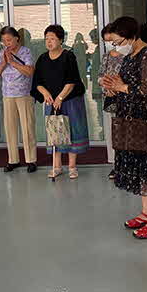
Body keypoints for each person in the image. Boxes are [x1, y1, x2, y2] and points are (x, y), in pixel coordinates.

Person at [102, 17, 147, 240]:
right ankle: (146, 213)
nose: (116, 47)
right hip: (131, 117)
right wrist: (113, 87)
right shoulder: (130, 56)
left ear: (132, 36)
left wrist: (122, 87)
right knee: (140, 168)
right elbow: (126, 84)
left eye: (118, 42)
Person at [31, 24, 88, 180]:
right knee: (55, 131)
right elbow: (37, 82)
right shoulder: (42, 59)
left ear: (61, 40)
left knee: (72, 131)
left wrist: (60, 97)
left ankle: (72, 167)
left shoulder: (68, 56)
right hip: (51, 101)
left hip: (70, 99)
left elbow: (72, 81)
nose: (49, 42)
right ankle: (57, 167)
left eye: (52, 39)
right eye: (46, 39)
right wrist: (46, 94)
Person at [0, 26, 37, 173]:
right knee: (10, 128)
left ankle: (31, 160)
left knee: (27, 127)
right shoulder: (1, 54)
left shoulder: (26, 52)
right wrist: (4, 62)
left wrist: (12, 62)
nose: (7, 43)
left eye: (9, 40)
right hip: (8, 95)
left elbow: (30, 71)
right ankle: (13, 160)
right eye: (4, 41)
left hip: (24, 94)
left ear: (17, 38)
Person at [97, 23, 125, 171]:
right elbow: (100, 76)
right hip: (109, 99)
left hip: (125, 99)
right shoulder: (106, 56)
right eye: (106, 41)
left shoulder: (128, 55)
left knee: (125, 132)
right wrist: (107, 87)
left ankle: (126, 164)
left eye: (111, 40)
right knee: (111, 133)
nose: (109, 43)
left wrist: (118, 88)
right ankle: (115, 164)